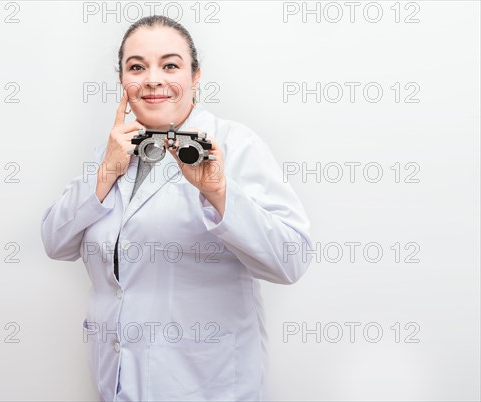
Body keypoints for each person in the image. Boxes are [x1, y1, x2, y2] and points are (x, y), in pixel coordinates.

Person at [41, 15, 314, 402]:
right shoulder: (111, 153)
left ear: (195, 76)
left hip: (206, 383)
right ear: (122, 79)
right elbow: (56, 242)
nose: (152, 79)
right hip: (117, 380)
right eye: (137, 67)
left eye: (170, 65)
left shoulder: (236, 145)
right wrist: (106, 172)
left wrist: (219, 193)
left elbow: (292, 261)